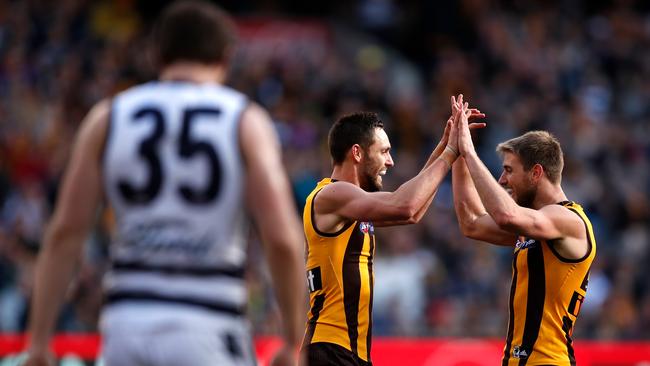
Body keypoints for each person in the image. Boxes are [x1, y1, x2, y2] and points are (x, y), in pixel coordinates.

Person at [24, 1, 305, 365]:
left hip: (127, 325)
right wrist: (293, 338)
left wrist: (40, 341)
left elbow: (65, 232)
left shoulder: (109, 117)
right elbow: (281, 238)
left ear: (156, 54)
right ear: (227, 56)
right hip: (209, 324)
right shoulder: (244, 120)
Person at [301, 106, 485, 366]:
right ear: (357, 152)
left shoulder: (350, 203)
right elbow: (405, 205)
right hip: (331, 349)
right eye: (384, 152)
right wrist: (452, 151)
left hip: (345, 351)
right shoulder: (333, 195)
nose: (390, 161)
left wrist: (445, 146)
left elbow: (414, 212)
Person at [451, 95, 596, 365]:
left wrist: (470, 153)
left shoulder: (569, 220)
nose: (502, 179)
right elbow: (471, 222)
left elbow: (506, 215)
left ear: (536, 173)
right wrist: (457, 154)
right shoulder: (536, 226)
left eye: (508, 170)